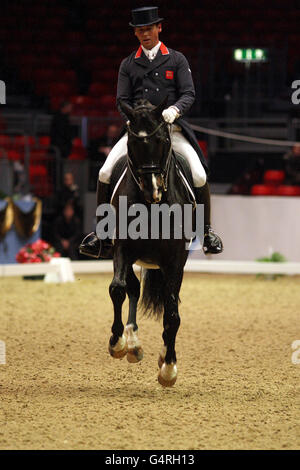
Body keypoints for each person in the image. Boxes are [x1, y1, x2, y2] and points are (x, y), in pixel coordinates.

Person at [79, 6, 223, 258]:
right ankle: (102, 234)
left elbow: (188, 93)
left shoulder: (177, 59)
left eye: (149, 29)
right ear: (135, 34)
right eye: (140, 30)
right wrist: (133, 122)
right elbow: (121, 99)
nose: (145, 34)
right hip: (139, 134)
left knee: (199, 174)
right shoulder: (128, 64)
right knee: (104, 171)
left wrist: (175, 111)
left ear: (159, 28)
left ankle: (206, 231)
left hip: (171, 130)